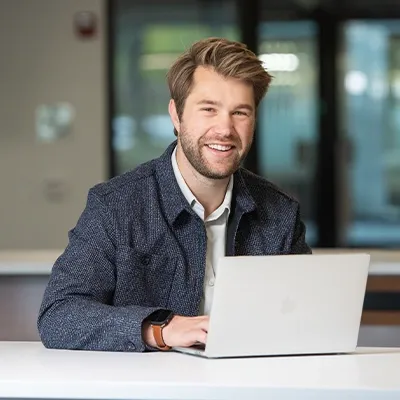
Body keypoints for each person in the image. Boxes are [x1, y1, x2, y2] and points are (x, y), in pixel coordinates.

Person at [37, 37, 311, 353]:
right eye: (208, 109)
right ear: (177, 115)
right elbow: (59, 315)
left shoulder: (280, 213)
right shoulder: (115, 207)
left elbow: (304, 322)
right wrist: (161, 330)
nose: (225, 129)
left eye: (240, 113)